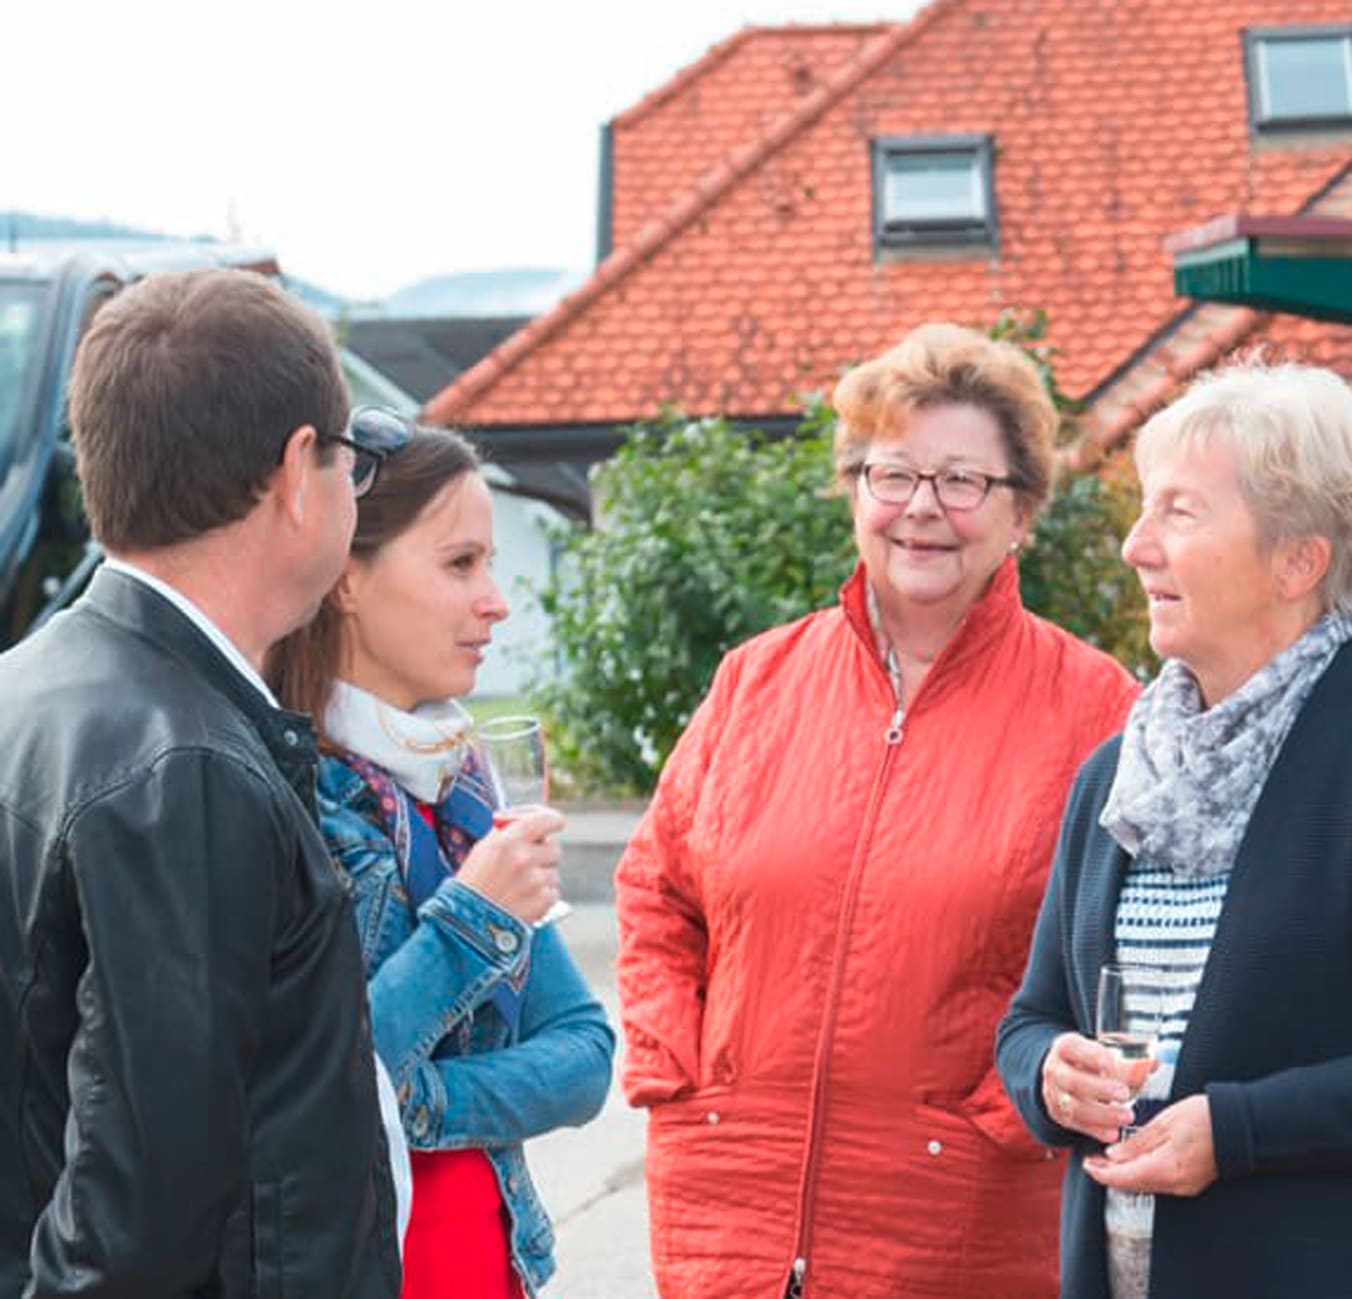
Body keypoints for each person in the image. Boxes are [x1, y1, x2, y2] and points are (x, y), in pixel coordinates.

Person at [996, 362, 1352, 1299]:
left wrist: (1241, 1130)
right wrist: (1049, 1075)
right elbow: (1031, 1018)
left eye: (1180, 513)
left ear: (1297, 559)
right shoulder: (1118, 775)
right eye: (1145, 509)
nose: (1137, 546)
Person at [615, 322, 1139, 1297]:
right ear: (854, 490)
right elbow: (655, 891)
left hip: (961, 1222)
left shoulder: (1096, 709)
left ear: (1021, 510)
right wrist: (675, 1067)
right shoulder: (755, 682)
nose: (920, 510)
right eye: (891, 474)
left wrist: (1004, 1107)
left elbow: (1132, 954)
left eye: (961, 481)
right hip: (728, 1210)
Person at [0, 268, 404, 1296]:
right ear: (295, 472)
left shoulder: (32, 684)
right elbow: (136, 1221)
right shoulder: (187, 769)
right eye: (352, 463)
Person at [266, 422, 614, 1298]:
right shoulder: (288, 796)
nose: (495, 600)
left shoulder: (455, 794)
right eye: (461, 564)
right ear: (347, 576)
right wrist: (473, 919)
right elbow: (324, 1084)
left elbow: (585, 1054)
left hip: (491, 1270)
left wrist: (425, 1103)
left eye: (489, 565)